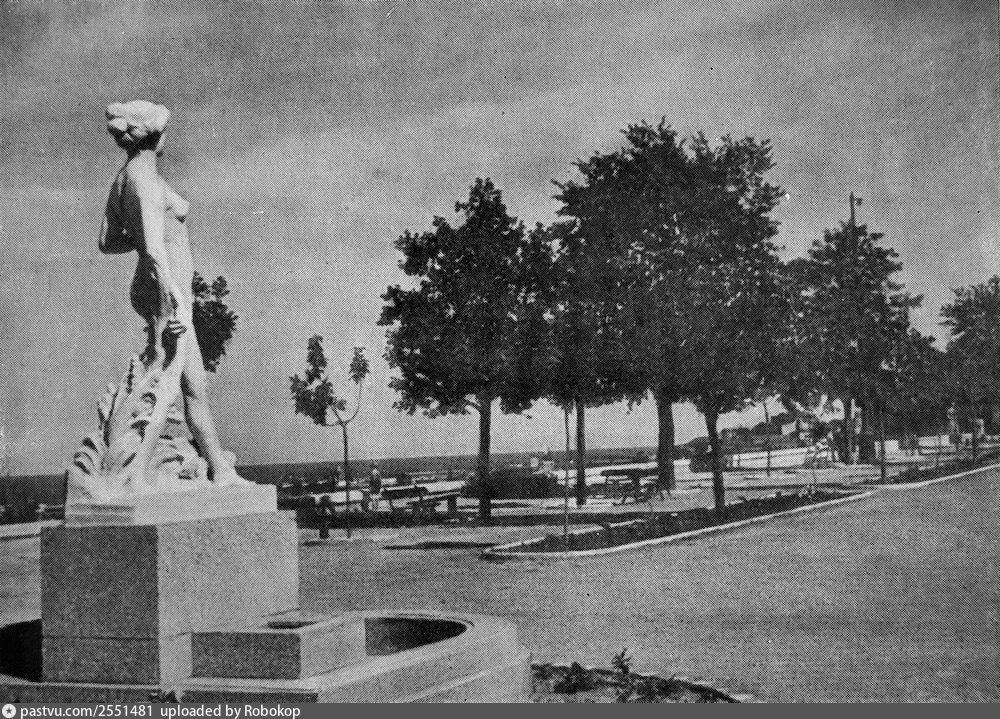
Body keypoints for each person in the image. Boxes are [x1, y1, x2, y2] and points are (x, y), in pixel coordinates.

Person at [101, 101, 243, 486]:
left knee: (193, 385)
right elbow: (152, 250)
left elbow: (108, 241)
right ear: (155, 136)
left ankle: (221, 469)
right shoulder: (144, 181)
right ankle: (133, 476)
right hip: (167, 293)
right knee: (166, 384)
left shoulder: (125, 178)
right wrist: (176, 303)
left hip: (164, 291)